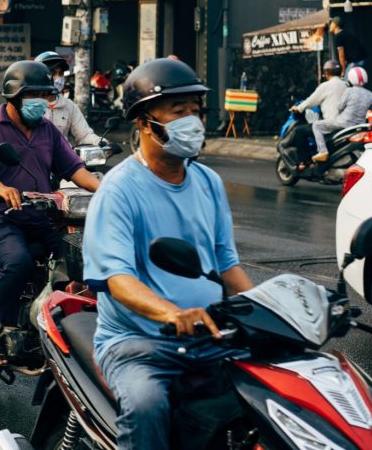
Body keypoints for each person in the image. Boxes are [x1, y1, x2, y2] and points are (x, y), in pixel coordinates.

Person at [83, 58, 253, 450]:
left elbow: (227, 265)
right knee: (146, 406)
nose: (192, 121)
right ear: (143, 121)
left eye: (195, 111)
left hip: (210, 333)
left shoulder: (208, 181)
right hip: (137, 342)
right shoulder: (119, 190)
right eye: (178, 112)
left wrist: (267, 312)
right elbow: (117, 279)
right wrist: (172, 313)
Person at [0, 60, 100, 365]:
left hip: (39, 217)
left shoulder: (47, 130)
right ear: (13, 96)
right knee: (19, 261)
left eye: (45, 95)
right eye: (33, 95)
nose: (41, 102)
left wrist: (105, 191)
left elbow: (74, 168)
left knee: (83, 256)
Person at [312, 66, 372, 162]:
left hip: (343, 123)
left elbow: (339, 106)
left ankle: (323, 152)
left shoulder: (349, 91)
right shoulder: (369, 94)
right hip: (360, 125)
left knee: (316, 125)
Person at [34, 51, 101, 146]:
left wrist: (100, 142)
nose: (57, 78)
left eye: (60, 73)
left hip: (64, 157)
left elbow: (84, 135)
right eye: (52, 73)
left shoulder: (69, 106)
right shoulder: (30, 106)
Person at [288, 59, 347, 165]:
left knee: (299, 131)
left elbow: (311, 101)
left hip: (331, 125)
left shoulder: (325, 86)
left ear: (327, 73)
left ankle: (305, 162)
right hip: (346, 125)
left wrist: (298, 108)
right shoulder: (346, 85)